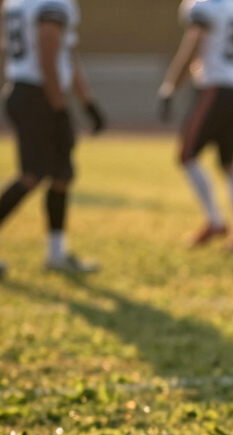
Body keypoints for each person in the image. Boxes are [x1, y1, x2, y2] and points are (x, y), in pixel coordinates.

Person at [0, 0, 105, 278]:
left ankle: (56, 253)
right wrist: (59, 109)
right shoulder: (52, 2)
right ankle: (56, 253)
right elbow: (48, 54)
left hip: (31, 91)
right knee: (31, 175)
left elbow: (65, 54)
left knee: (61, 174)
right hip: (39, 95)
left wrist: (87, 103)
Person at [158, 0, 233, 250]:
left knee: (187, 155)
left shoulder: (206, 7)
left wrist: (170, 86)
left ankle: (215, 221)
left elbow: (194, 45)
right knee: (229, 163)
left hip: (214, 89)